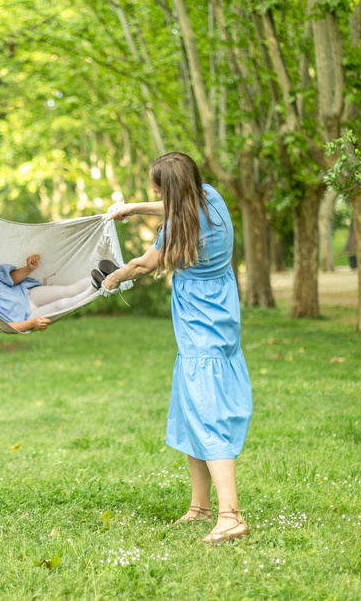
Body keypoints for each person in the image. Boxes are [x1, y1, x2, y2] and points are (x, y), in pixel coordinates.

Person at [104, 152, 252, 545]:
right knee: (192, 414)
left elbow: (143, 265)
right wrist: (134, 208)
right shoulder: (211, 197)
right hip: (219, 321)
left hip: (202, 334)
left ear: (170, 191)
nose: (156, 196)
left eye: (157, 190)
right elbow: (173, 205)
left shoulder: (175, 229)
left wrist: (114, 277)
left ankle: (231, 516)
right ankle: (200, 506)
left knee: (209, 417)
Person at [0, 246, 117, 332]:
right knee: (61, 304)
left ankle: (107, 275)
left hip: (27, 294)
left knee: (66, 291)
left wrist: (28, 268)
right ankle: (97, 286)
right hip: (27, 317)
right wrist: (32, 324)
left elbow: (12, 278)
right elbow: (6, 326)